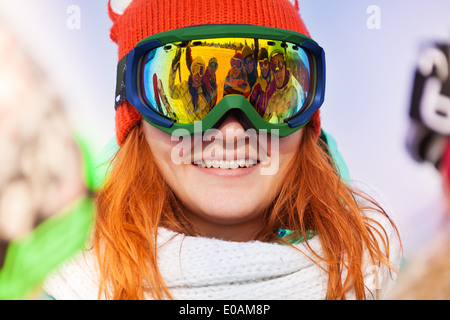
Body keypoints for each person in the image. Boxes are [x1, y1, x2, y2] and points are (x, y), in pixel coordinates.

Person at [43, 0, 401, 300]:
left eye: (265, 96)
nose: (230, 129)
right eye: (189, 102)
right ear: (136, 114)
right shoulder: (56, 285)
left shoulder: (388, 280)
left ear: (305, 115)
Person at [264, 49, 304, 123]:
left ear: (285, 66)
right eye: (273, 66)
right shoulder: (271, 99)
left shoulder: (295, 93)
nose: (277, 70)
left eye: (280, 64)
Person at [249, 47, 273, 116]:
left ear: (269, 63)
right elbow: (251, 100)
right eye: (261, 64)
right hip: (261, 118)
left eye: (265, 63)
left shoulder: (274, 79)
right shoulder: (258, 82)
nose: (263, 67)